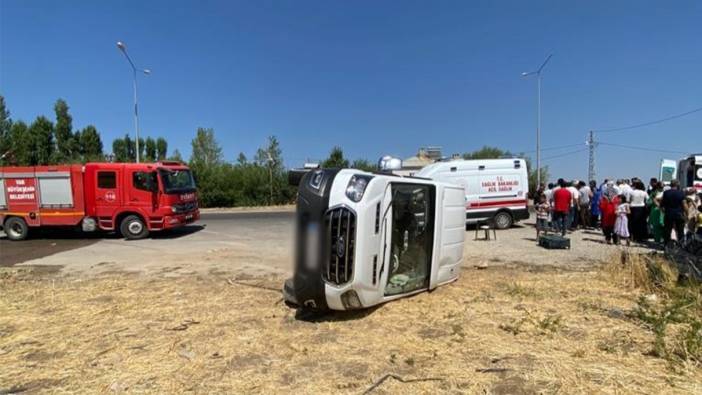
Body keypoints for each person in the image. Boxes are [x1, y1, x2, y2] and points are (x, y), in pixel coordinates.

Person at [660, 180, 687, 244]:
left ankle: (666, 245)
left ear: (670, 185)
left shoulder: (666, 193)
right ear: (677, 185)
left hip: (668, 214)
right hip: (679, 214)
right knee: (680, 231)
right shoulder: (681, 193)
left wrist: (663, 210)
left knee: (667, 230)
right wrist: (687, 213)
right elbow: (684, 205)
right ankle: (681, 245)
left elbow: (662, 204)